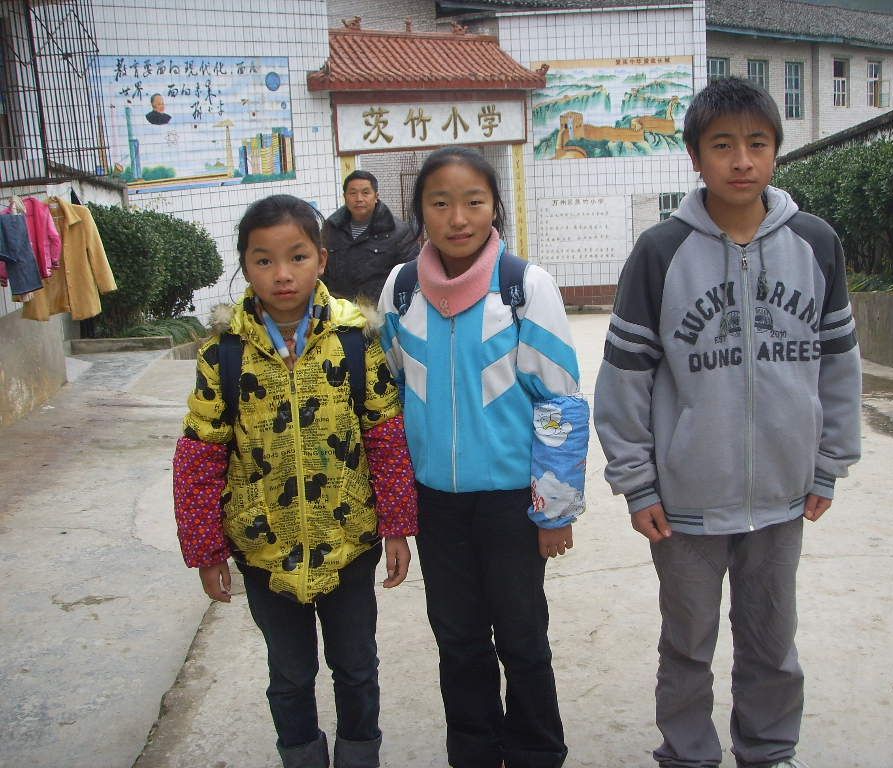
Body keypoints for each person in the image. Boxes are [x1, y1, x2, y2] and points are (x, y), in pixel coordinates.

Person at [594, 76, 861, 768]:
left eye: (757, 143)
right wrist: (638, 484)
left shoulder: (816, 242)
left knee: (772, 638)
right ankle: (688, 753)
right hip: (686, 502)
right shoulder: (660, 251)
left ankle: (768, 749)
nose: (741, 160)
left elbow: (838, 364)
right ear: (695, 157)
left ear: (776, 151)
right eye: (722, 145)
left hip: (781, 494)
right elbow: (624, 379)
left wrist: (829, 462)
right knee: (687, 642)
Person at [172, 194, 418, 768]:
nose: (282, 274)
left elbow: (385, 437)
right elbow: (199, 455)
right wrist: (206, 549)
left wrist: (397, 527)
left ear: (321, 260)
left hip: (349, 541)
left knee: (356, 667)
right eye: (264, 260)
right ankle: (301, 756)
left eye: (297, 257)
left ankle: (360, 755)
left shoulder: (355, 341)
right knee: (288, 673)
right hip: (264, 547)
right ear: (245, 265)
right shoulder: (224, 355)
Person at [378, 146, 589, 768]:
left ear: (494, 205)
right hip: (436, 505)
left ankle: (536, 750)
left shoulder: (524, 288)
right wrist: (398, 510)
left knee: (522, 637)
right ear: (420, 212)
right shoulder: (402, 290)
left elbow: (560, 405)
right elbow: (392, 396)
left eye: (473, 201)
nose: (458, 218)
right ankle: (472, 751)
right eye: (440, 203)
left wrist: (554, 513)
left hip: (510, 505)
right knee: (458, 638)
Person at [324, 170, 418, 303]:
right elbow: (321, 271)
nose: (359, 199)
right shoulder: (331, 229)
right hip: (339, 310)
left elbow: (410, 276)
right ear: (344, 197)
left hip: (380, 310)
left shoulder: (400, 232)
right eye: (353, 193)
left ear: (376, 196)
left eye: (365, 193)